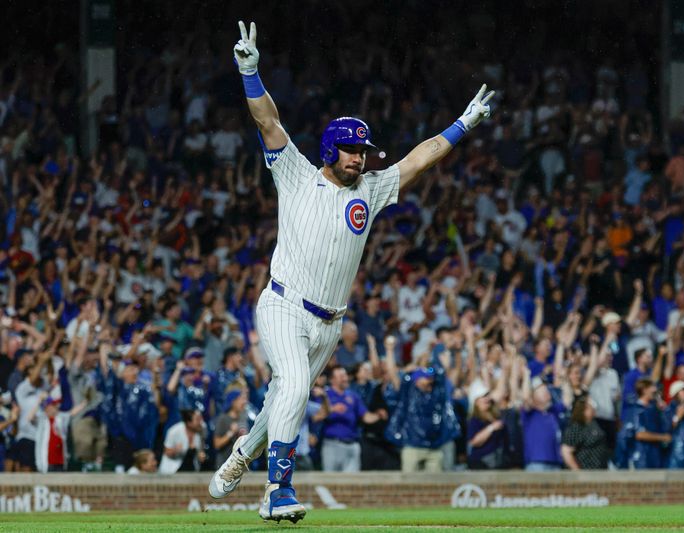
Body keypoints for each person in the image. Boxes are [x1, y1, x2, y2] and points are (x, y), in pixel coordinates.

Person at [208, 21, 495, 524]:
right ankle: (278, 491)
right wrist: (250, 72)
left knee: (283, 397)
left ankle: (242, 456)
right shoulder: (295, 172)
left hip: (329, 323)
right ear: (330, 149)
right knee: (294, 387)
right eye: (352, 150)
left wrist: (463, 125)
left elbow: (418, 158)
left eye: (364, 151)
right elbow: (269, 123)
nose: (361, 158)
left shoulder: (371, 188)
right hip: (283, 303)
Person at [320, 365, 384, 472]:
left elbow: (366, 416)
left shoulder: (353, 396)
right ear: (332, 380)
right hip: (332, 445)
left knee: (352, 483)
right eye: (341, 376)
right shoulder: (325, 395)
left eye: (345, 375)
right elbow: (317, 416)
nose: (345, 378)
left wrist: (379, 415)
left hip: (352, 444)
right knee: (330, 482)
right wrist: (332, 409)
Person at [561, 396, 609, 470]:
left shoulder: (595, 424)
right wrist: (578, 471)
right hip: (585, 474)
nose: (593, 409)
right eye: (590, 407)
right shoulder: (576, 428)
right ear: (583, 410)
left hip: (599, 472)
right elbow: (566, 451)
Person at [159, 409, 207, 474]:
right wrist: (175, 450)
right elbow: (167, 452)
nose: (200, 422)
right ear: (189, 423)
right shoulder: (174, 431)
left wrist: (201, 455)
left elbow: (201, 450)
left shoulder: (202, 430)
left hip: (191, 469)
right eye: (197, 420)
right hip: (172, 469)